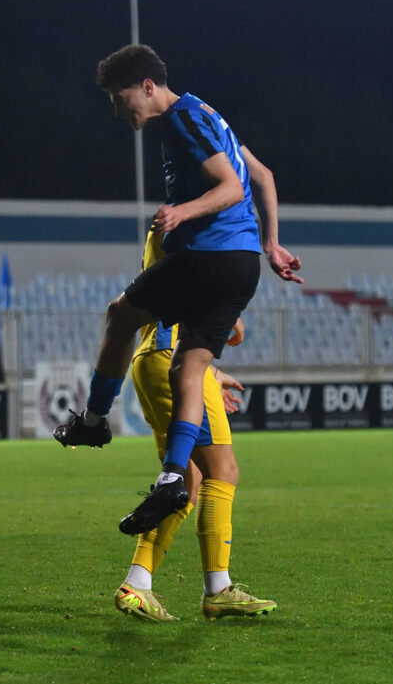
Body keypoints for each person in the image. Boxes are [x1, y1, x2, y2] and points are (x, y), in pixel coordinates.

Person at [54, 44, 302, 536]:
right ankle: (172, 478)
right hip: (242, 267)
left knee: (120, 314)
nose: (118, 110)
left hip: (207, 257)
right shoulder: (209, 115)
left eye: (120, 98)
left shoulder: (181, 120)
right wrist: (271, 244)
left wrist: (181, 212)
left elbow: (232, 187)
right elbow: (263, 176)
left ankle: (95, 420)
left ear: (147, 87)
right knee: (189, 367)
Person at [111, 224, 277, 621]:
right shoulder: (188, 223)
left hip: (156, 357)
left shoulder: (168, 225)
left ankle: (137, 584)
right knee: (222, 471)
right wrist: (230, 312)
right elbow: (198, 281)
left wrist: (211, 373)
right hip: (173, 356)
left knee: (188, 480)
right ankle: (218, 589)